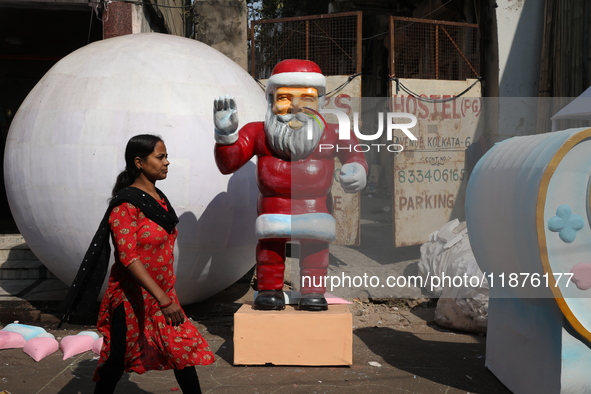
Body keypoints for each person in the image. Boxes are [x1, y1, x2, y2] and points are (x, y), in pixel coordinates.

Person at [213, 59, 368, 312]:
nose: (296, 107)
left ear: (320, 101)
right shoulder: (257, 132)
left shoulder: (336, 132)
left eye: (306, 99)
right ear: (271, 99)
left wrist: (357, 170)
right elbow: (228, 164)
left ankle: (313, 292)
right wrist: (226, 135)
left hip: (315, 208)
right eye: (285, 98)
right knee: (270, 251)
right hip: (273, 209)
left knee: (315, 252)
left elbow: (354, 155)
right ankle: (269, 290)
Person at [64, 134, 214, 393]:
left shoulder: (159, 199)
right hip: (131, 299)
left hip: (162, 296)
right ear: (139, 162)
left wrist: (165, 298)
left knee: (181, 352)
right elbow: (128, 257)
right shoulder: (126, 206)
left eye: (166, 156)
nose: (167, 162)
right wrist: (163, 300)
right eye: (160, 157)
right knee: (116, 362)